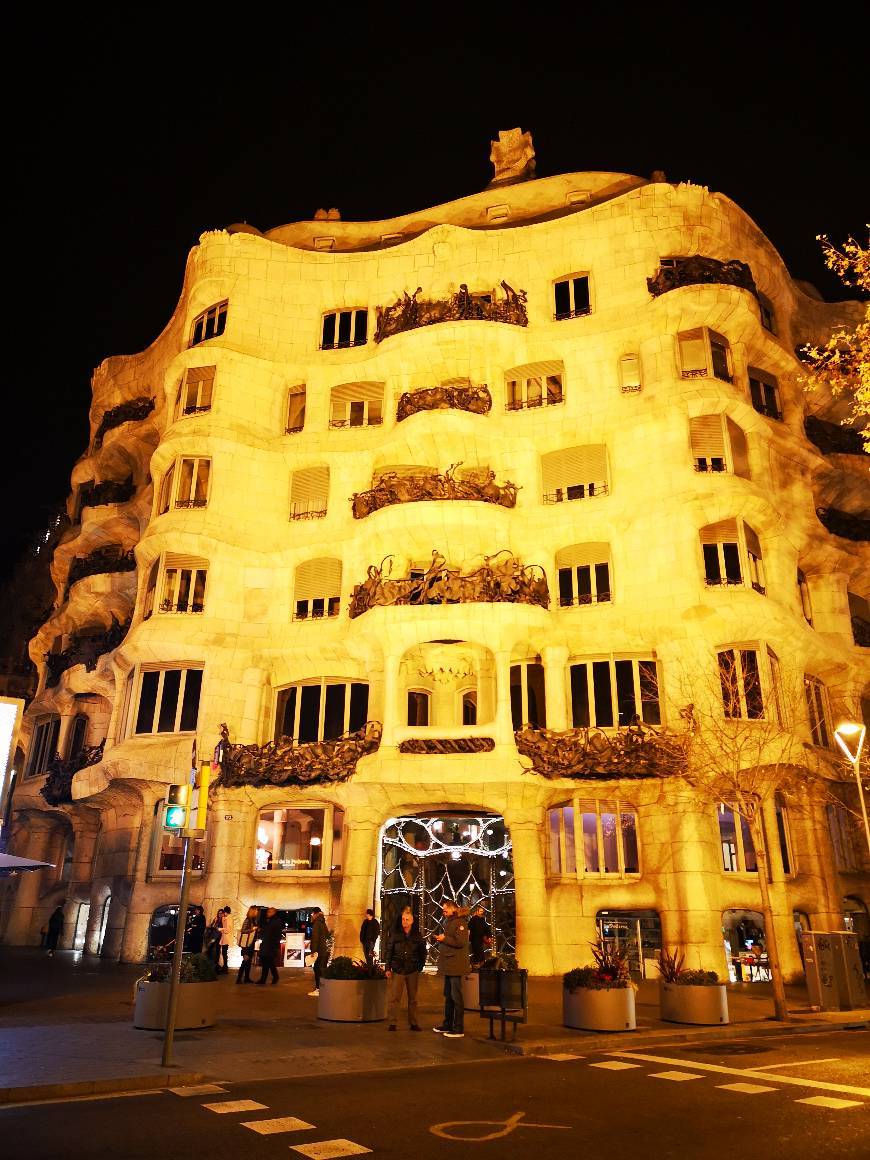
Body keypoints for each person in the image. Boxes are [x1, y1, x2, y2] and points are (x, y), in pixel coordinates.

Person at [383, 907, 426, 1031]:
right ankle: (392, 1022)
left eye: (407, 919)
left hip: (412, 970)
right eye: (403, 919)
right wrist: (388, 967)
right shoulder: (395, 934)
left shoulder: (417, 936)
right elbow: (389, 951)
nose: (404, 922)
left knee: (413, 998)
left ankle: (413, 1022)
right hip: (399, 969)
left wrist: (419, 966)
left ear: (412, 921)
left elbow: (423, 952)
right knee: (395, 997)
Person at [433, 899, 470, 1038]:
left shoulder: (460, 923)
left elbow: (461, 942)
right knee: (448, 996)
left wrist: (444, 939)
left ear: (453, 909)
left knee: (456, 996)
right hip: (449, 964)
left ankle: (458, 1028)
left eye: (445, 909)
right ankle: (447, 1024)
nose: (443, 911)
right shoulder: (449, 922)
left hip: (456, 965)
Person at [255, 906, 283, 985]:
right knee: (268, 962)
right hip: (266, 944)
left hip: (270, 946)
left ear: (273, 913)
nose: (267, 913)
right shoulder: (269, 921)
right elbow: (266, 932)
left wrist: (274, 945)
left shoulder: (275, 921)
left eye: (269, 912)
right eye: (267, 912)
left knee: (268, 962)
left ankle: (266, 979)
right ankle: (270, 977)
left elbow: (277, 935)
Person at [308, 907, 330, 996]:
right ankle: (321, 988)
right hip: (323, 949)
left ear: (315, 914)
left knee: (317, 969)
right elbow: (327, 935)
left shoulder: (317, 923)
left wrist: (313, 951)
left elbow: (315, 938)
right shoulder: (322, 922)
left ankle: (318, 989)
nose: (311, 916)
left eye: (312, 914)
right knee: (320, 969)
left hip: (318, 951)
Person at [236, 905, 260, 984]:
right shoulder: (248, 920)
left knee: (249, 961)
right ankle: (239, 979)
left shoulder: (253, 920)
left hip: (251, 943)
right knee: (245, 960)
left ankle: (246, 978)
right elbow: (243, 930)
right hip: (246, 944)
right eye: (256, 910)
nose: (257, 912)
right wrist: (252, 929)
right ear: (252, 911)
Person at [216, 906, 233, 973]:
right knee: (224, 952)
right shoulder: (228, 918)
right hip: (225, 937)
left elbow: (228, 929)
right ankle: (225, 967)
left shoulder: (228, 919)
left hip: (226, 938)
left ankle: (225, 967)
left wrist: (220, 929)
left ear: (225, 912)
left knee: (224, 952)